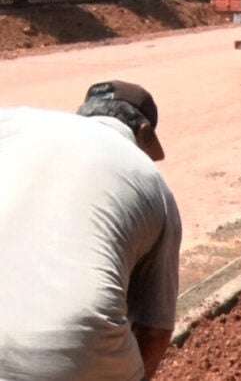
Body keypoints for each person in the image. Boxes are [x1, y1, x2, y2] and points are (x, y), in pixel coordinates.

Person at [0, 80, 183, 380]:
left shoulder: (22, 124)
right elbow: (154, 331)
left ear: (82, 114)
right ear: (144, 133)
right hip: (75, 352)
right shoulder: (154, 184)